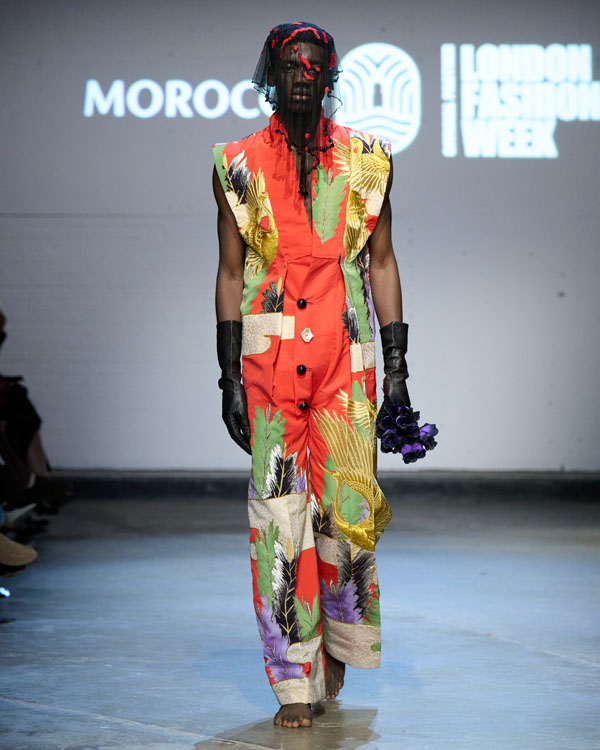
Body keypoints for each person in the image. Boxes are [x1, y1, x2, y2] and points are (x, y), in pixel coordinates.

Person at [212, 22, 413, 729]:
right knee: (278, 519)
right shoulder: (235, 163)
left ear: (330, 77)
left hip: (346, 358)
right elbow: (230, 271)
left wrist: (399, 370)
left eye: (315, 65)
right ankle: (293, 679)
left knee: (346, 513)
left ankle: (335, 645)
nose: (303, 75)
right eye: (291, 65)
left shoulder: (369, 159)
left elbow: (381, 262)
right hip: (269, 367)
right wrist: (226, 377)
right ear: (271, 74)